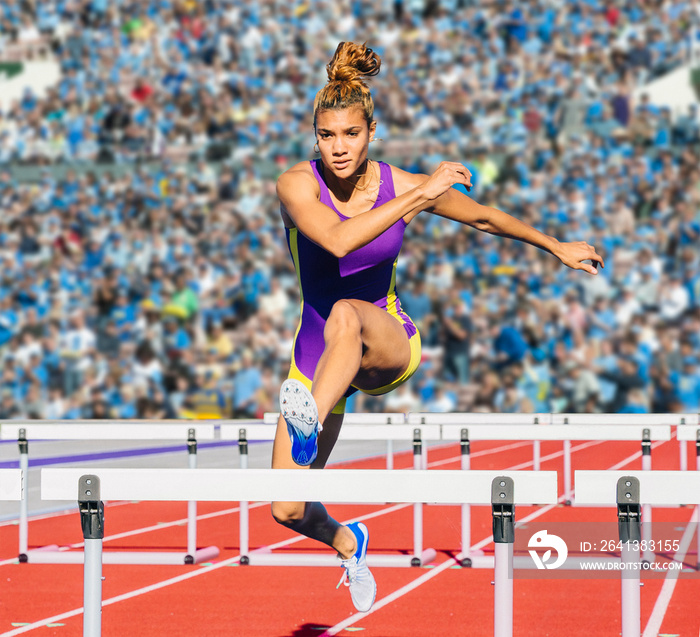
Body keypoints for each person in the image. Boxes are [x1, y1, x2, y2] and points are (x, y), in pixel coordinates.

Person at [271, 41, 604, 613]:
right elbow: (337, 239)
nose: (339, 147)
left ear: (370, 132)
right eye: (327, 136)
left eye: (350, 134)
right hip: (318, 355)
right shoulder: (295, 184)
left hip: (385, 339)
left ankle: (309, 423)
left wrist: (555, 246)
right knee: (286, 508)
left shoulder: (398, 180)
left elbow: (481, 214)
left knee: (349, 314)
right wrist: (423, 193)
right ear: (315, 137)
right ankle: (349, 540)